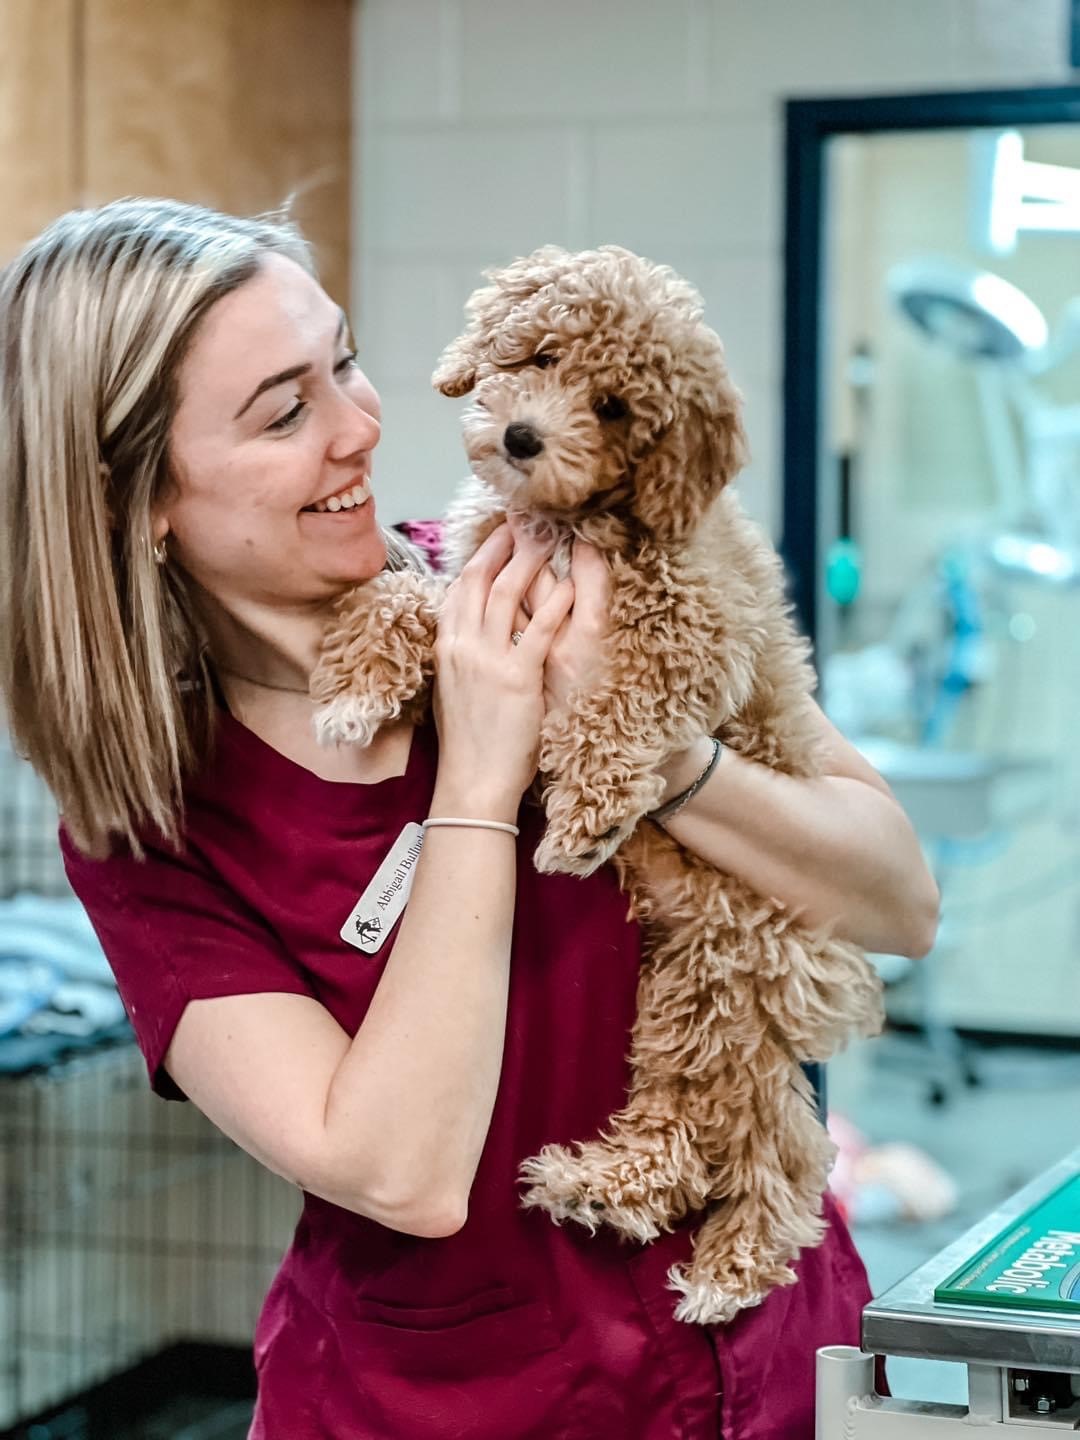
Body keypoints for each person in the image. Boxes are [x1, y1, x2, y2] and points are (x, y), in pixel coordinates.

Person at [0, 197, 939, 1440]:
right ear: (140, 502)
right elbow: (403, 1173)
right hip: (460, 1408)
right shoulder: (153, 828)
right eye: (285, 412)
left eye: (342, 361)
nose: (360, 427)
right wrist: (482, 778)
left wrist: (665, 762)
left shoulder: (547, 572)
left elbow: (899, 902)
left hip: (769, 1363)